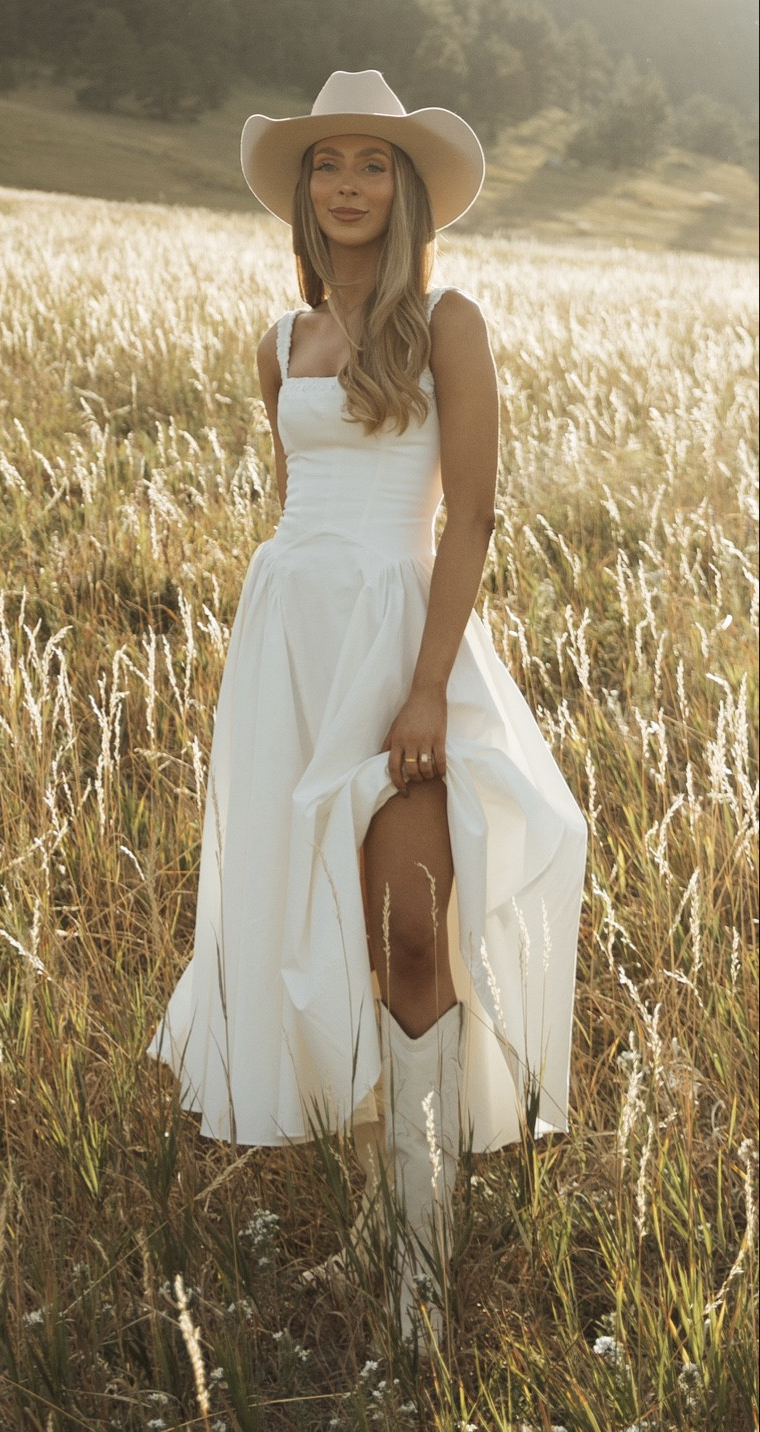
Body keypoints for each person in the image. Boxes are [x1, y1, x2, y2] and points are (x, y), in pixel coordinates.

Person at [152, 69, 586, 1342]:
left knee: (410, 933)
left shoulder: (448, 319)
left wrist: (427, 683)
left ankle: (420, 1269)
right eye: (327, 162)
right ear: (303, 193)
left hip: (404, 645)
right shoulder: (278, 343)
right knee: (313, 929)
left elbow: (469, 515)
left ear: (403, 191)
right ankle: (382, 1223)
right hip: (289, 640)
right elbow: (295, 501)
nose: (348, 182)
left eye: (372, 163)